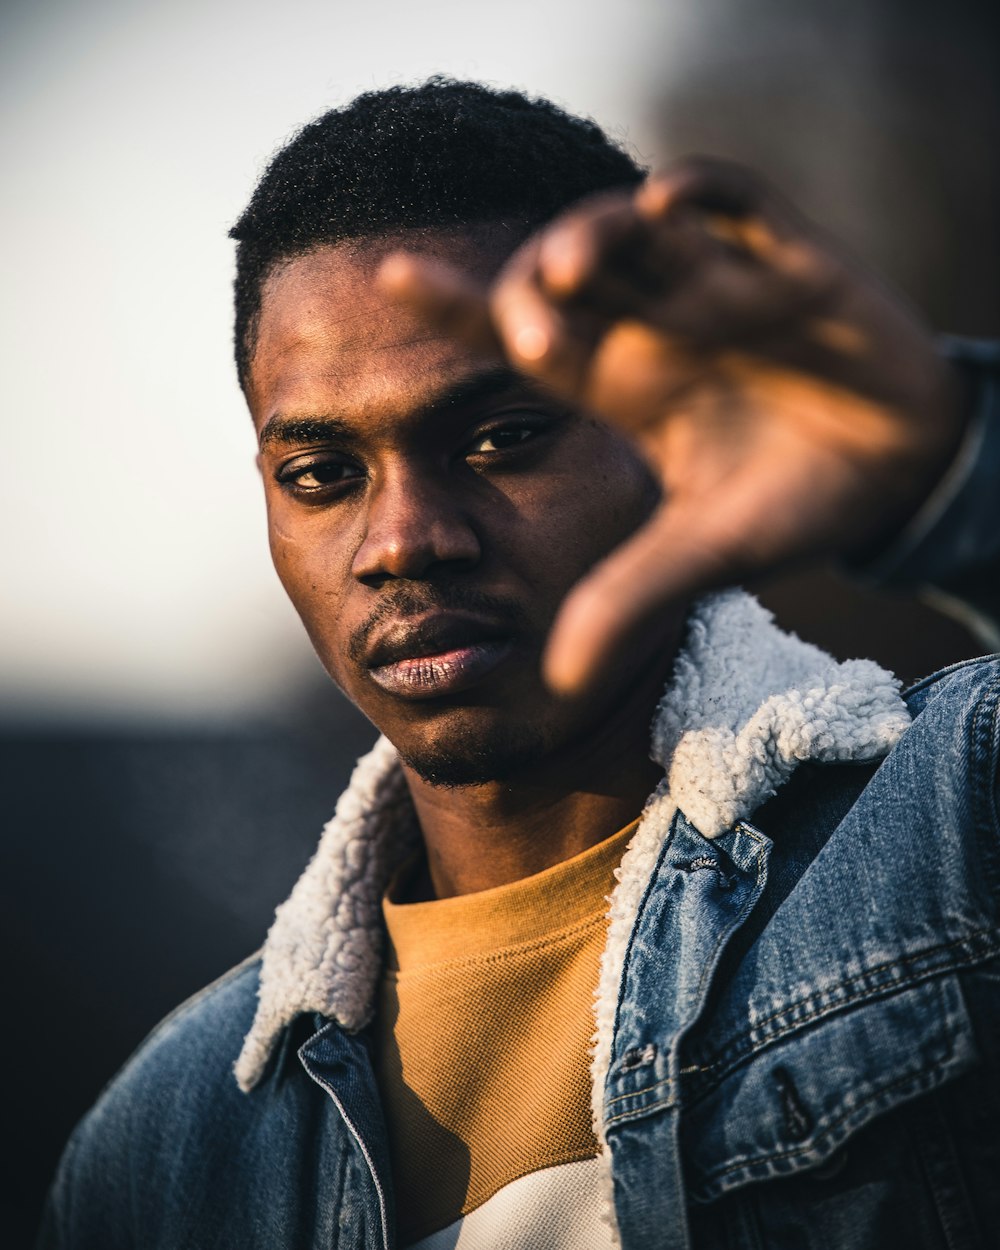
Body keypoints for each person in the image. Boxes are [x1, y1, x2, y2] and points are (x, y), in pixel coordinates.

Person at [40, 79, 1000, 1250]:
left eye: (499, 439)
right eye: (322, 474)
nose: (403, 540)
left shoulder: (954, 832)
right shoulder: (164, 1145)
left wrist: (955, 471)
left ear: (661, 434)